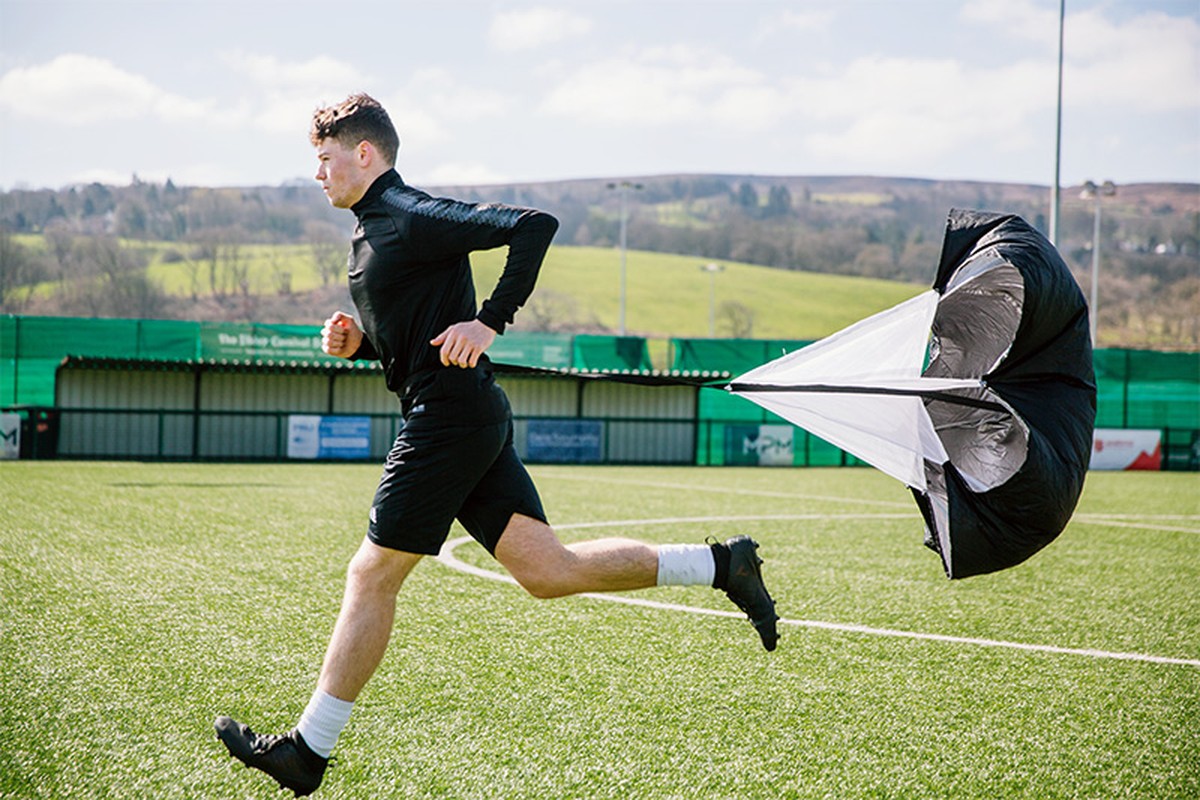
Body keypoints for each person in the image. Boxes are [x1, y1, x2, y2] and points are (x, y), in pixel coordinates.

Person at [214, 92, 778, 797]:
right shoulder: (369, 234)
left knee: (371, 575)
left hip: (447, 420)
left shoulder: (410, 215)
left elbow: (533, 225)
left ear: (364, 153)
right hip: (458, 411)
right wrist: (361, 346)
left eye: (324, 160)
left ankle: (308, 750)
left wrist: (490, 322)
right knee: (548, 571)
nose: (317, 174)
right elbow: (418, 339)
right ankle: (723, 564)